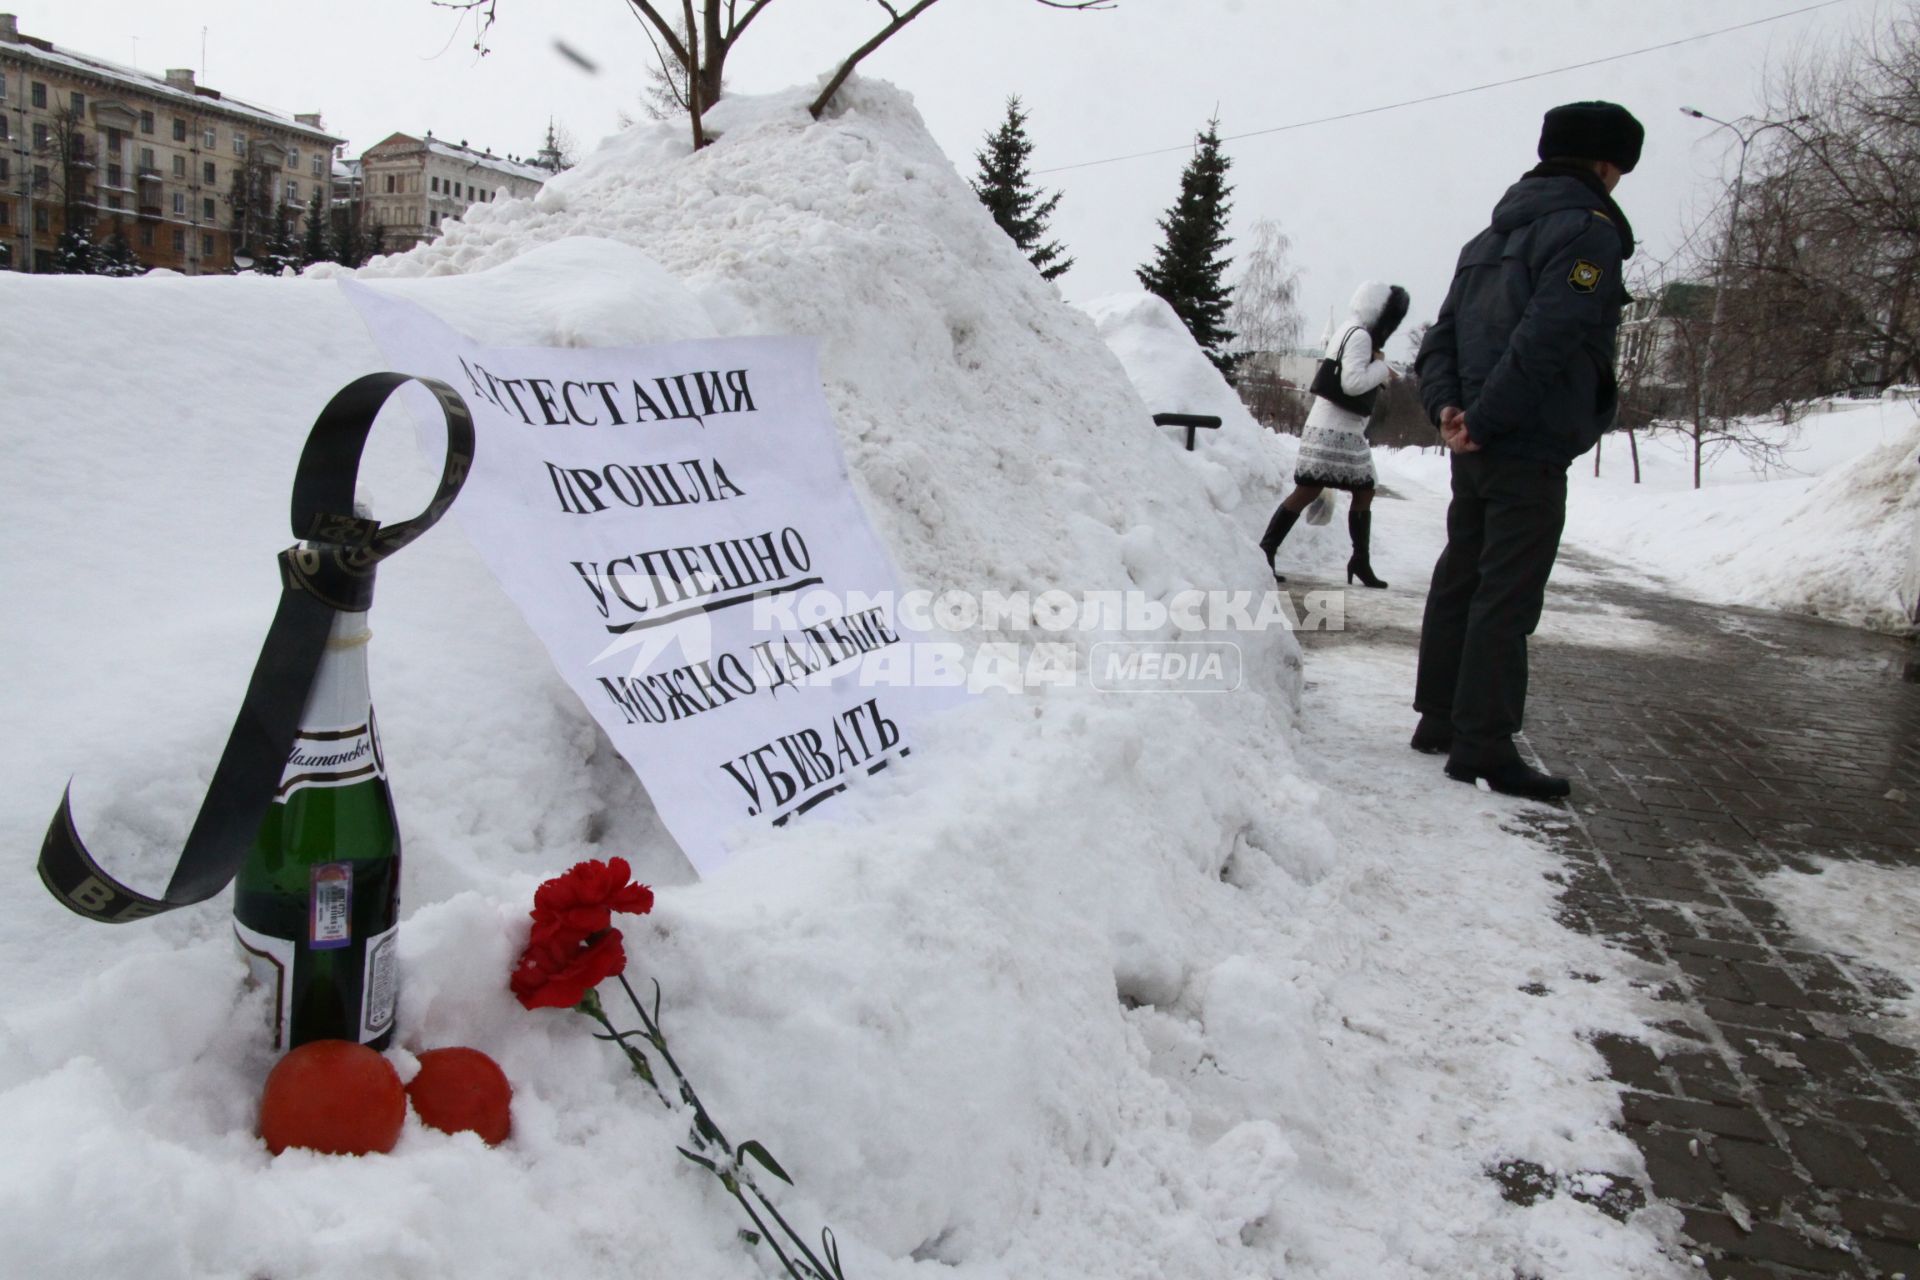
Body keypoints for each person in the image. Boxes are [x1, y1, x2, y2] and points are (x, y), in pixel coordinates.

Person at [1411, 101, 1643, 800]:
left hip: (1476, 438)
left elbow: (1440, 340)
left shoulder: (1487, 237)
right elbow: (1550, 335)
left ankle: (1441, 719)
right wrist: (1484, 418)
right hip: (1525, 437)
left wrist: (1449, 410)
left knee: (1463, 575)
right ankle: (1483, 746)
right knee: (1506, 593)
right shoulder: (1588, 232)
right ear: (1607, 165)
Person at [1258, 282, 1411, 587]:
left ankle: (1267, 551)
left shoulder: (1347, 329)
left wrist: (1379, 367)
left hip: (1324, 426)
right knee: (1362, 488)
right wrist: (1382, 370)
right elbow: (1352, 384)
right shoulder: (1361, 336)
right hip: (1337, 430)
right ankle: (1358, 561)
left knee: (1312, 489)